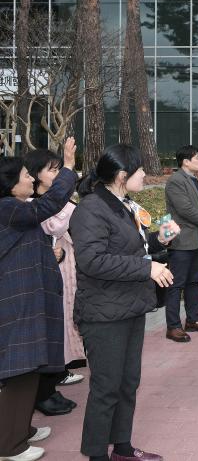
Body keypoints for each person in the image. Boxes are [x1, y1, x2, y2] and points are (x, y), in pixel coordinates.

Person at [69, 144, 180, 461]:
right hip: (103, 313)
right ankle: (96, 454)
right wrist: (147, 268)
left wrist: (159, 239)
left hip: (129, 306)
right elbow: (92, 260)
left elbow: (134, 248)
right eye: (140, 170)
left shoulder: (125, 204)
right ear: (121, 175)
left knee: (128, 382)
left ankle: (122, 447)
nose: (145, 174)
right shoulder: (90, 209)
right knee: (106, 387)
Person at [0, 138, 77, 461]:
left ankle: (21, 429)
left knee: (30, 368)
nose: (31, 179)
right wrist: (69, 168)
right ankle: (9, 445)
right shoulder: (7, 206)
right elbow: (48, 206)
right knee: (21, 369)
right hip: (19, 302)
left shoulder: (15, 207)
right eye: (25, 175)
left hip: (30, 297)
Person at [23, 149, 86, 418]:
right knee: (52, 324)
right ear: (34, 175)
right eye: (52, 170)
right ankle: (45, 390)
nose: (58, 175)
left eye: (60, 169)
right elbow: (55, 224)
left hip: (65, 264)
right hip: (49, 271)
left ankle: (54, 379)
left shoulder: (52, 200)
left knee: (63, 321)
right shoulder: (29, 204)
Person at [164, 145, 198, 342]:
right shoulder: (176, 181)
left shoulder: (194, 180)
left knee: (194, 281)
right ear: (185, 161)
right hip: (182, 240)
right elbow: (184, 209)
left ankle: (193, 319)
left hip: (197, 238)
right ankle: (173, 326)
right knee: (176, 284)